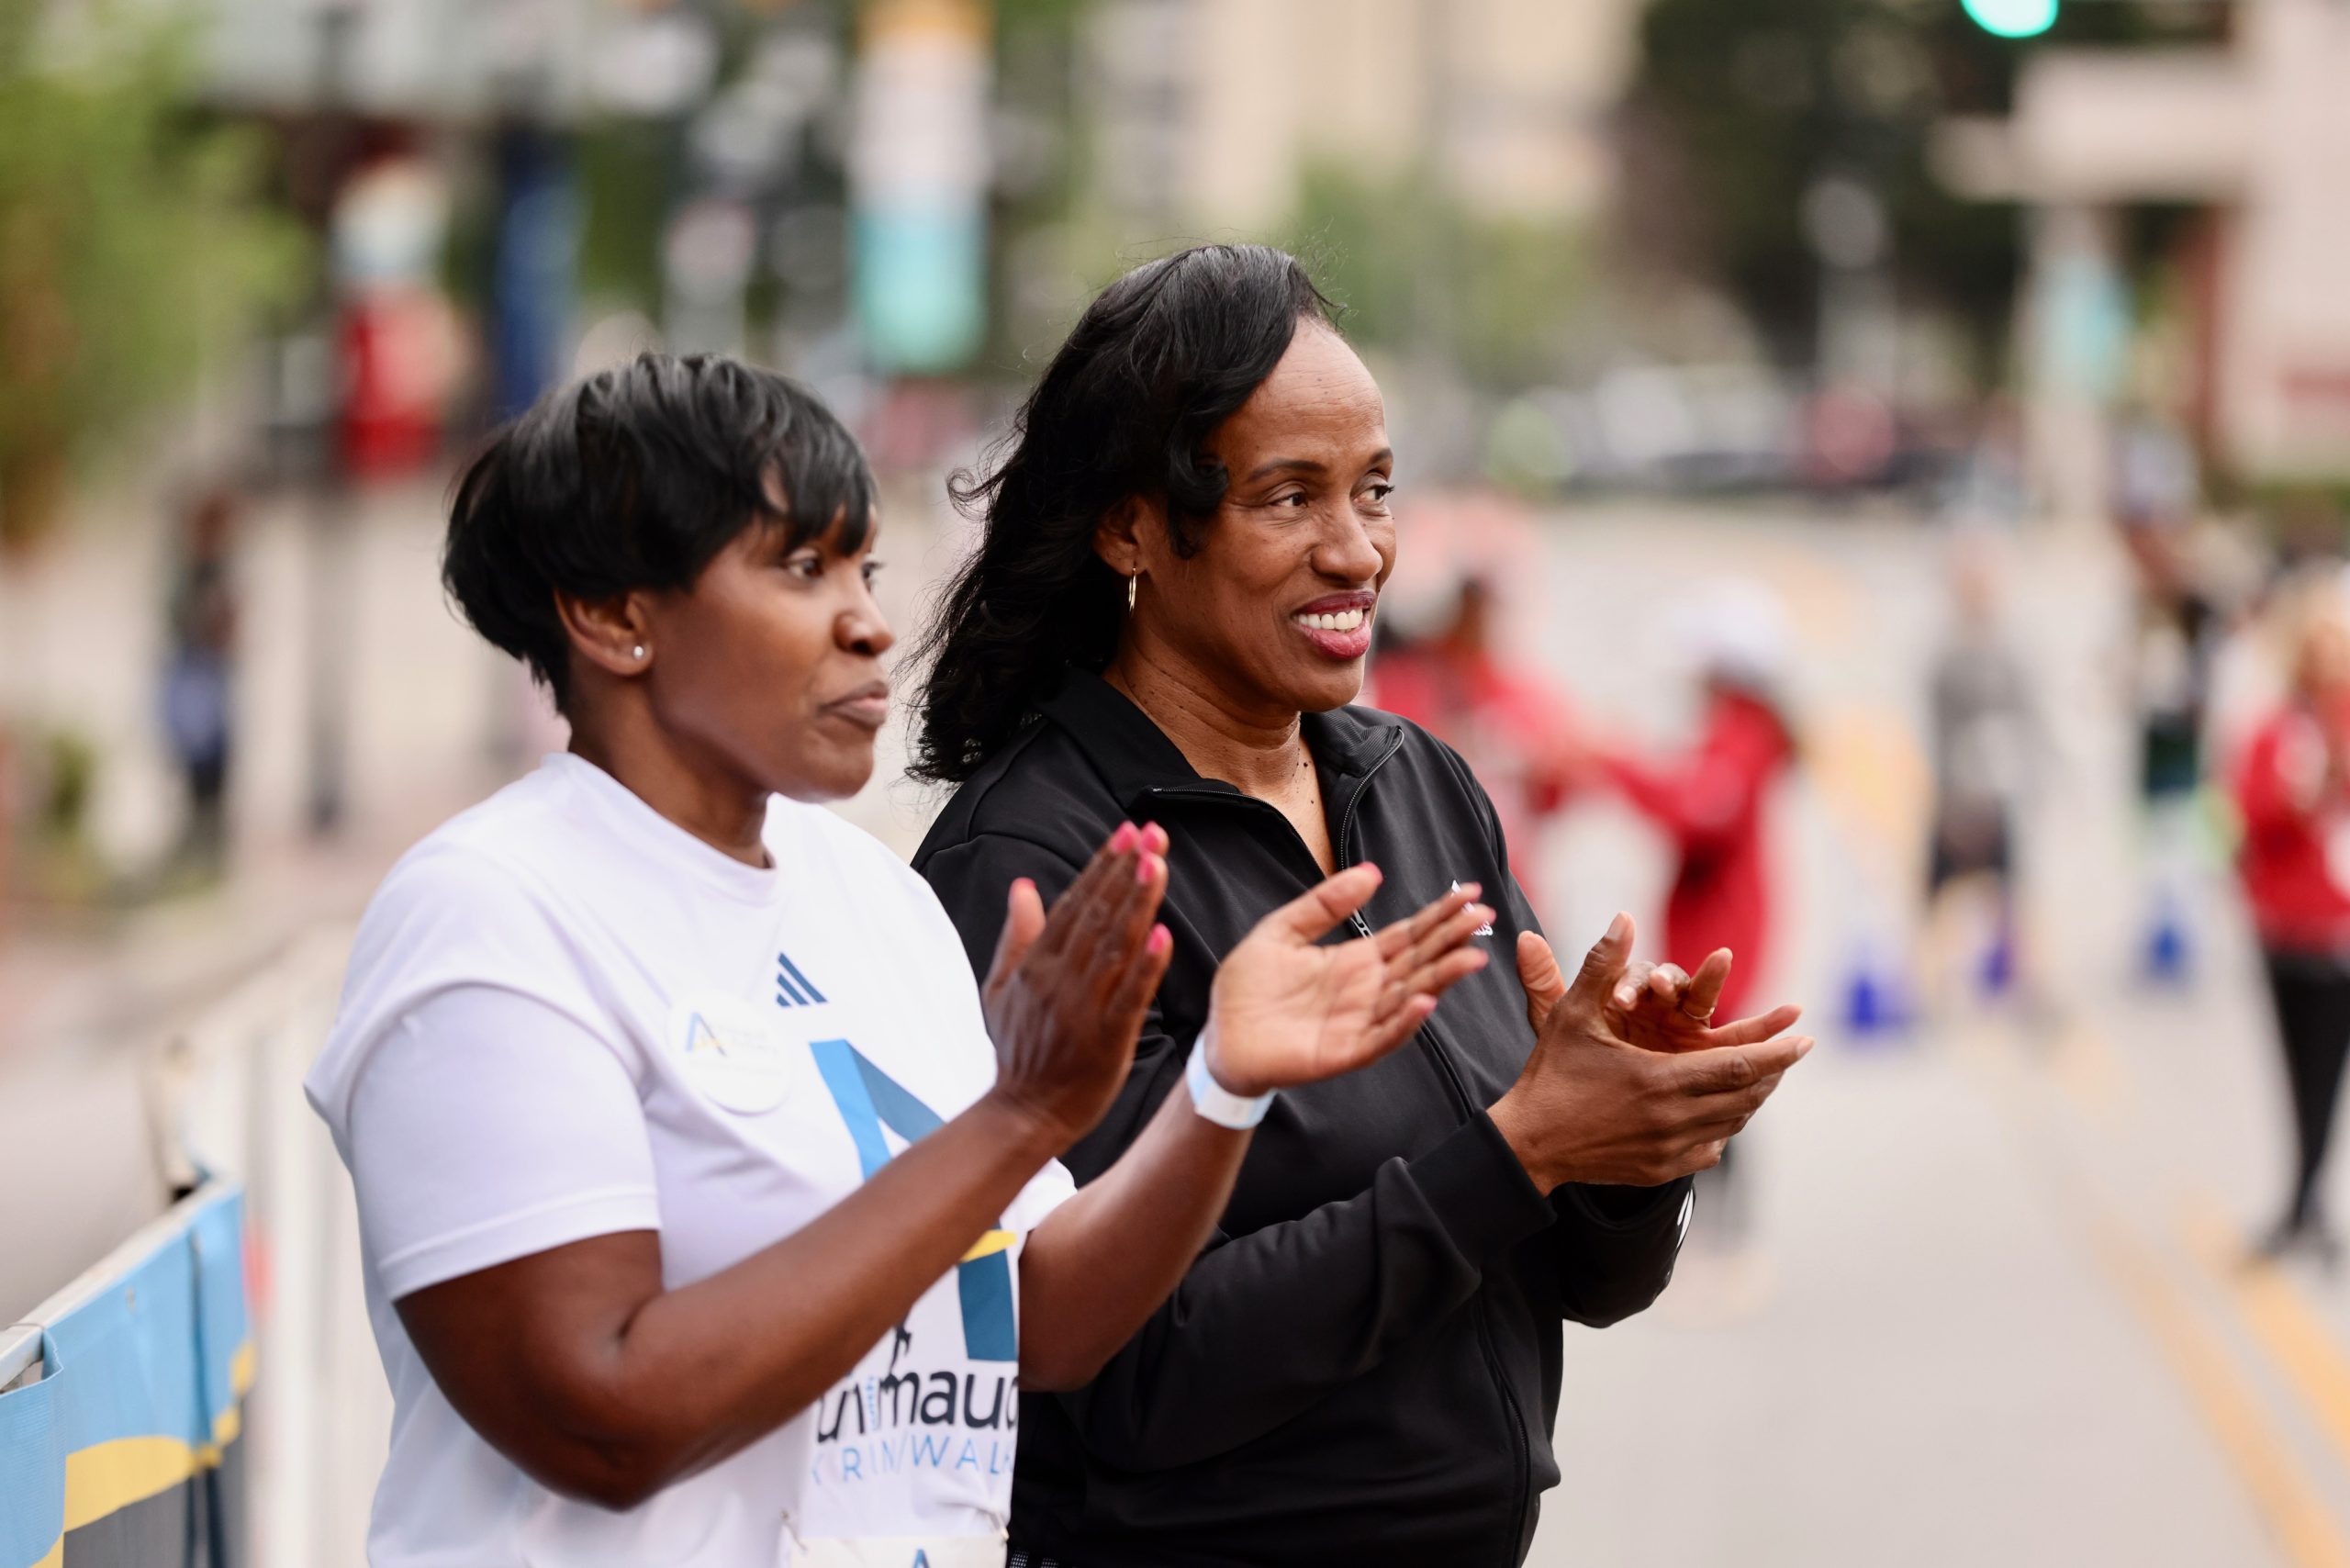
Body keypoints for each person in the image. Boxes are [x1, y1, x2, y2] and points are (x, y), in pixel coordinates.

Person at [303, 353, 1492, 1568]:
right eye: (800, 567)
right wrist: (1019, 1118)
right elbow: (602, 1418)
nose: (871, 620)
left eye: (865, 567)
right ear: (613, 616)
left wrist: (1224, 1087)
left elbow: (1043, 1322)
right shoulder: (493, 916)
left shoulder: (870, 897)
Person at [909, 245, 1812, 1565]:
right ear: (1133, 527)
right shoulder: (1042, 863)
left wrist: (1623, 1142)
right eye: (1290, 498)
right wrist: (1517, 1149)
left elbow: (1586, 1284)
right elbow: (1123, 1375)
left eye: (1376, 490)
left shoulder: (1418, 789)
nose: (1360, 552)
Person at [1588, 582, 1797, 1248]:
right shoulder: (1739, 729)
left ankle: (1716, 1232)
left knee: (1709, 1082)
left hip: (1724, 936)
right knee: (1704, 1080)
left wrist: (1614, 763)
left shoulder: (1744, 732)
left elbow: (1698, 812)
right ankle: (1707, 1228)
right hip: (1714, 927)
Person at [2230, 571, 2350, 1261]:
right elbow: (2250, 813)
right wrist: (2301, 799)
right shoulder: (2276, 728)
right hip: (2283, 924)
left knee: (2329, 1070)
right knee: (2294, 1068)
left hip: (2338, 928)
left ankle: (2311, 1200)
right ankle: (2301, 1198)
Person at [1368, 576, 1587, 908]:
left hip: (1506, 878)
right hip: (1420, 876)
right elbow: (1383, 765)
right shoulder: (1405, 680)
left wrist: (1533, 760)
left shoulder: (1520, 691)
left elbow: (1563, 783)